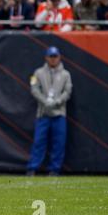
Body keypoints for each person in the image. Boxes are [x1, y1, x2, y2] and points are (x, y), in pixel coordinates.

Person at [27, 46, 72, 176]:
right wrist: (45, 101)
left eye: (55, 56)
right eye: (51, 57)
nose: (53, 59)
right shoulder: (38, 72)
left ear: (59, 57)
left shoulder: (65, 74)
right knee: (38, 142)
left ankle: (54, 169)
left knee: (59, 143)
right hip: (43, 113)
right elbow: (34, 89)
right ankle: (33, 168)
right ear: (46, 57)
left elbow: (68, 91)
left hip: (59, 114)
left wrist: (57, 102)